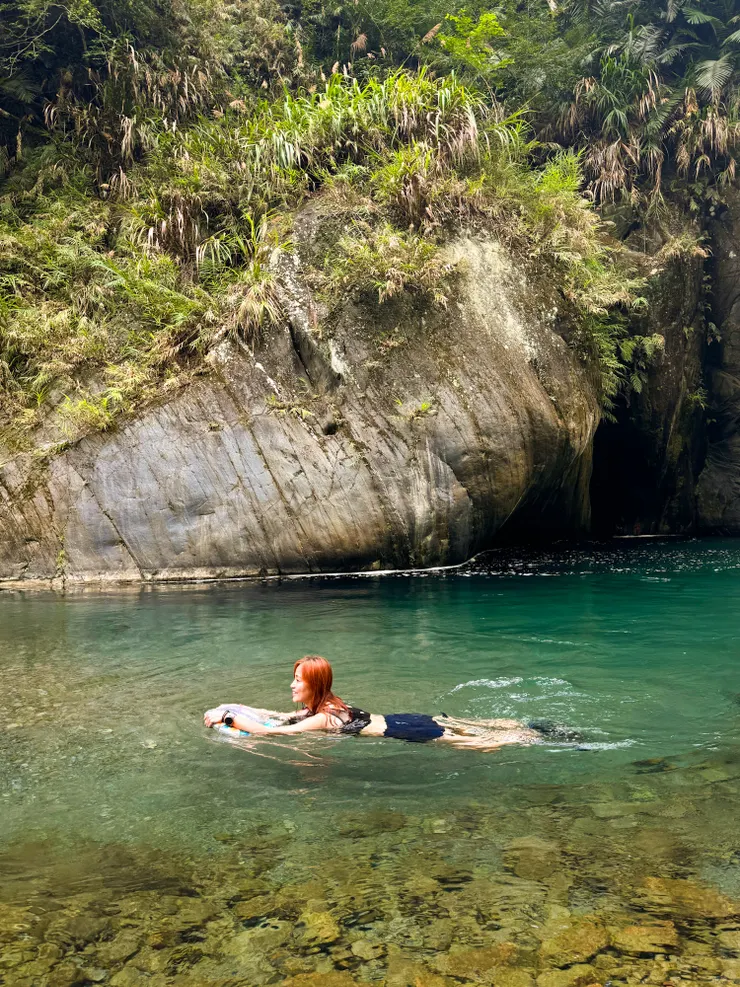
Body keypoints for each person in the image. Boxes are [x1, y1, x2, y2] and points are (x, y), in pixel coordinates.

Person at [204, 655, 567, 751]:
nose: (292, 684)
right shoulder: (326, 705)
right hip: (403, 718)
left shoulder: (320, 719)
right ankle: (529, 726)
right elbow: (278, 717)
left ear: (313, 684)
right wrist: (233, 705)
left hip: (401, 730)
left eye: (297, 679)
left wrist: (231, 721)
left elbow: (277, 735)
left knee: (473, 744)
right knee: (463, 725)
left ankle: (535, 739)